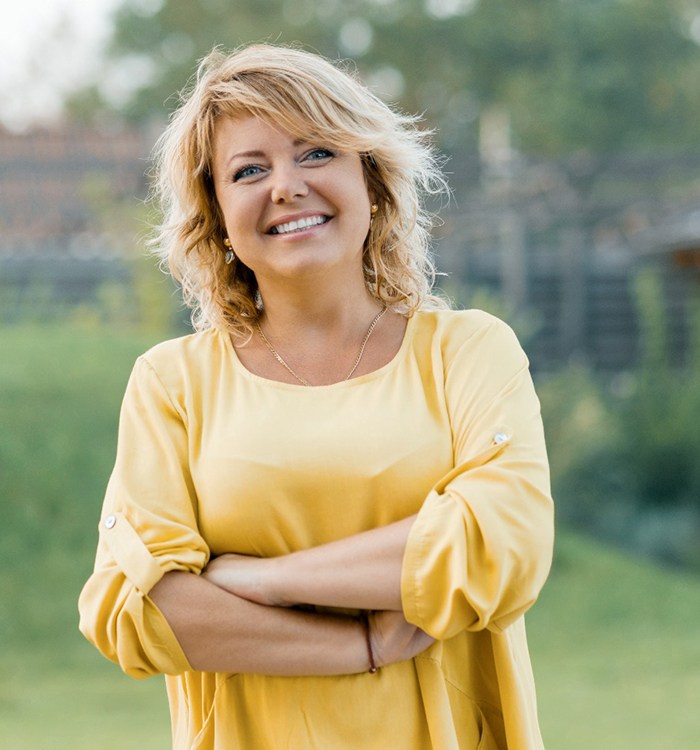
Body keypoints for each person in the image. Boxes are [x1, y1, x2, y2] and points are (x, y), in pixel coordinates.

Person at [78, 42, 554, 750]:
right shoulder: (172, 383)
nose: (286, 186)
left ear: (372, 179)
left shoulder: (469, 352)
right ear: (216, 213)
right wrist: (362, 647)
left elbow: (502, 545)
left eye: (315, 153)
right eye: (248, 169)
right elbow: (132, 607)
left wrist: (266, 581)